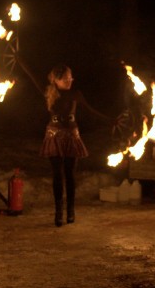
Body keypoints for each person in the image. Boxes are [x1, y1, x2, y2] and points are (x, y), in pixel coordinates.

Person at [19, 60, 112, 227]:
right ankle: (58, 212)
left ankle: (70, 210)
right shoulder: (49, 92)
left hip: (71, 136)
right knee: (57, 175)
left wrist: (112, 121)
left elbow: (92, 111)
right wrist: (18, 57)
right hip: (54, 136)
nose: (70, 80)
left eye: (71, 78)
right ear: (56, 79)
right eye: (66, 78)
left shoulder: (76, 94)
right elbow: (31, 74)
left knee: (70, 175)